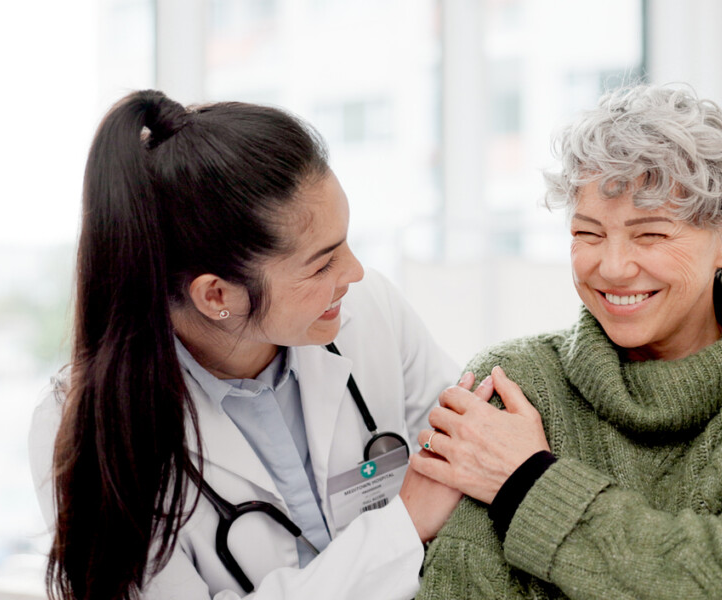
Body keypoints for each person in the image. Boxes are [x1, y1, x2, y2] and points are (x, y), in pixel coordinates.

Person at [409, 84, 722, 599]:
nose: (611, 267)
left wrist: (527, 484)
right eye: (587, 234)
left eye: (650, 234)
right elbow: (462, 588)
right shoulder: (516, 379)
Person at [28, 90, 463, 600]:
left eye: (346, 243)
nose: (355, 273)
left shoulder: (370, 315)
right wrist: (403, 526)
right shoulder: (89, 429)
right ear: (217, 295)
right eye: (322, 264)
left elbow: (467, 458)